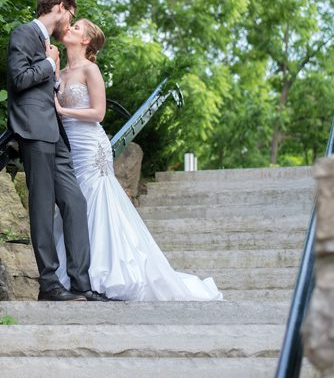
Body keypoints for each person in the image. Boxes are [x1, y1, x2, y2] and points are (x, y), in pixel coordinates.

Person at [53, 18, 223, 301]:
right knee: (75, 204)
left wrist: (63, 111)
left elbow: (98, 113)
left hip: (91, 146)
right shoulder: (61, 70)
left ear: (86, 41)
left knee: (95, 202)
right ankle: (77, 273)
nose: (69, 28)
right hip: (70, 147)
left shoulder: (90, 69)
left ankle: (102, 274)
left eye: (77, 27)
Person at [6, 0, 109, 302]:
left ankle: (81, 283)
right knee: (41, 206)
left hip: (58, 135)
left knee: (75, 202)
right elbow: (19, 79)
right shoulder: (24, 34)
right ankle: (49, 284)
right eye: (72, 16)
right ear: (61, 8)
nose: (71, 23)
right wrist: (50, 65)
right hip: (34, 131)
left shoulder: (50, 46)